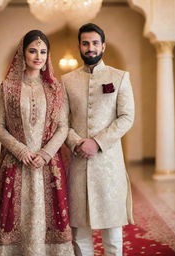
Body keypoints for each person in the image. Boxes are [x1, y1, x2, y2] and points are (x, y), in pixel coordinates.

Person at [0, 30, 74, 256]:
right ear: (22, 53)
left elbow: (63, 126)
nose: (38, 56)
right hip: (16, 163)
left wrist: (45, 154)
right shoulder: (8, 88)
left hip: (48, 164)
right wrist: (20, 150)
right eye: (33, 50)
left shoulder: (56, 89)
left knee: (50, 215)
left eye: (43, 51)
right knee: (15, 216)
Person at [61, 23, 135, 256]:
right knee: (80, 236)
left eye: (95, 43)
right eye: (85, 43)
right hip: (78, 163)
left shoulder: (120, 77)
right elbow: (61, 122)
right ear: (79, 47)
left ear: (103, 45)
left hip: (109, 165)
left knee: (113, 237)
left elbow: (126, 117)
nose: (90, 48)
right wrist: (76, 142)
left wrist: (97, 142)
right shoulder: (67, 81)